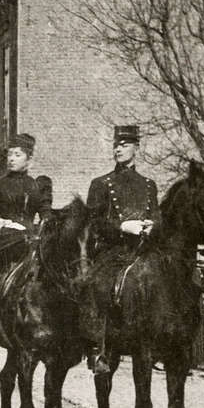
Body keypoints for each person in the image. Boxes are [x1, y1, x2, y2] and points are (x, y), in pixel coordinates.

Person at [82, 124, 159, 374]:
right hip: (113, 252)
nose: (118, 149)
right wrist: (123, 227)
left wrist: (152, 226)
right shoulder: (101, 184)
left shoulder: (148, 185)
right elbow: (94, 223)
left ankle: (164, 343)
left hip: (142, 251)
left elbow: (156, 216)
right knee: (100, 284)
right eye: (116, 145)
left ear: (137, 148)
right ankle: (98, 348)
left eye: (124, 145)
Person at [0, 133, 52, 278]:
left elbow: (46, 214)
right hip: (5, 240)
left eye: (18, 155)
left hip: (30, 239)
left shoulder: (37, 185)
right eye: (9, 154)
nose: (11, 159)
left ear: (28, 159)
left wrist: (45, 224)